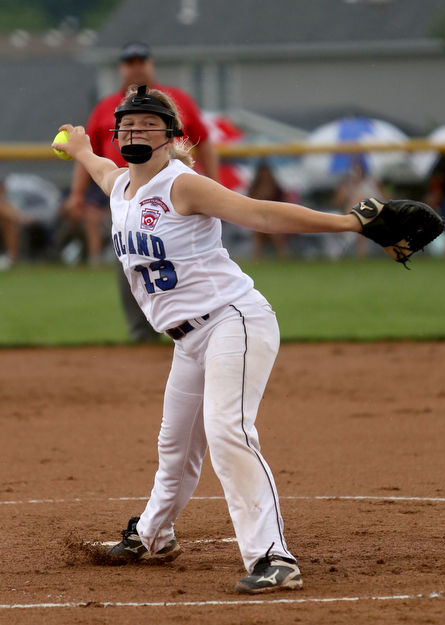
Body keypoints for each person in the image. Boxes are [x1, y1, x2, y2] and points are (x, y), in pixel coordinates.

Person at [53, 85, 365, 594]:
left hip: (231, 321)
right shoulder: (118, 188)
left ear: (172, 136)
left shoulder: (183, 185)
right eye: (126, 125)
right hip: (187, 340)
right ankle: (154, 535)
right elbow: (97, 165)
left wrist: (351, 223)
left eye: (147, 125)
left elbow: (262, 214)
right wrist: (80, 147)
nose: (134, 132)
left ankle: (273, 557)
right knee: (174, 447)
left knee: (226, 431)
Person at [64, 42, 219, 341]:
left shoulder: (176, 101)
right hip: (125, 194)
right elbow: (90, 157)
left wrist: (213, 182)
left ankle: (198, 321)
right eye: (129, 62)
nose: (136, 67)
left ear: (151, 65)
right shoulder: (105, 108)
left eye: (141, 61)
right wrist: (76, 194)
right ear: (121, 68)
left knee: (186, 256)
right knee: (131, 258)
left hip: (175, 196)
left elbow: (204, 141)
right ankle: (142, 332)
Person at [333, 156, 386, 257]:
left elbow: (384, 201)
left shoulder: (371, 183)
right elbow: (337, 202)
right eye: (354, 167)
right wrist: (346, 189)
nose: (356, 170)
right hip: (354, 218)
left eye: (358, 167)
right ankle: (348, 232)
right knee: (357, 206)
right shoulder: (347, 184)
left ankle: (359, 251)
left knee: (361, 200)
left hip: (374, 216)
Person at [248, 162, 290, 258]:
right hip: (258, 220)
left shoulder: (278, 190)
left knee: (274, 231)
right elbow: (249, 206)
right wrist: (260, 196)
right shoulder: (254, 189)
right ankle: (258, 258)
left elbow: (284, 207)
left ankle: (282, 256)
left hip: (276, 220)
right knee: (258, 231)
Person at [0, 176, 30, 270]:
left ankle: (12, 257)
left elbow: (20, 217)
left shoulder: (14, 189)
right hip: (25, 214)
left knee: (7, 219)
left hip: (41, 210)